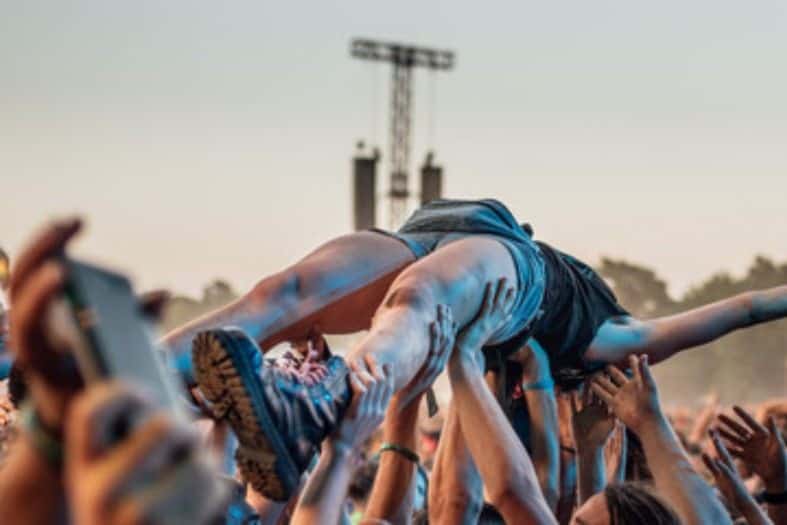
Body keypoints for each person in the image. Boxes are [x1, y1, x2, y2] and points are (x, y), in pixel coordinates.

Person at [154, 198, 787, 499]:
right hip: (429, 228)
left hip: (510, 267)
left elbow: (744, 309)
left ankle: (319, 402)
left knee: (415, 302)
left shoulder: (606, 344)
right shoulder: (614, 337)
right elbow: (748, 306)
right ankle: (142, 377)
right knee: (284, 292)